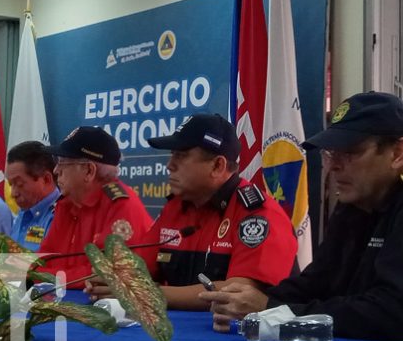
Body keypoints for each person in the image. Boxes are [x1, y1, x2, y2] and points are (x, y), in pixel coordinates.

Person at [200, 92, 403, 341]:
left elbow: (392, 312)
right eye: (331, 153)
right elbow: (317, 281)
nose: (335, 166)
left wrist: (273, 309)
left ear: (397, 154)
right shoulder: (352, 207)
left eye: (350, 152)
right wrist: (247, 300)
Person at [86, 114, 298, 308]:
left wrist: (144, 293)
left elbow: (237, 294)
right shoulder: (176, 207)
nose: (169, 165)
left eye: (181, 156)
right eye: (172, 155)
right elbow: (141, 269)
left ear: (217, 166)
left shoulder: (258, 214)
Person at [38, 126, 153, 287]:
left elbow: (103, 274)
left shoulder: (122, 206)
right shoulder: (66, 204)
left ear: (89, 171)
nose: (56, 170)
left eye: (63, 162)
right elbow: (42, 261)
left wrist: (46, 277)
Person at [6, 141, 60, 251]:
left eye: (20, 184)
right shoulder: (23, 212)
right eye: (11, 184)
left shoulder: (60, 216)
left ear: (46, 179)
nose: (13, 193)